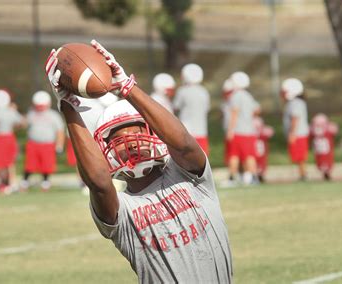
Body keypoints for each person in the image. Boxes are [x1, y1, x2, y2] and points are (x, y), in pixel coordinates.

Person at [45, 40, 232, 283]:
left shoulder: (192, 179)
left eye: (136, 132)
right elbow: (100, 184)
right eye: (119, 137)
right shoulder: (122, 212)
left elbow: (184, 143)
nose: (131, 142)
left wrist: (126, 86)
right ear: (105, 150)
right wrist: (68, 107)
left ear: (156, 133)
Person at [20, 91, 65, 192]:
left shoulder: (53, 115)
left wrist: (59, 145)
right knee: (30, 165)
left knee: (47, 165)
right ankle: (24, 182)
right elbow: (24, 125)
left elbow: (60, 131)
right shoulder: (31, 114)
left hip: (48, 144)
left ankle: (45, 183)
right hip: (33, 143)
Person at [226, 71, 260, 185]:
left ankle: (232, 178)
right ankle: (254, 177)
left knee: (234, 155)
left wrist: (230, 130)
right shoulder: (248, 95)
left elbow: (234, 113)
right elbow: (257, 109)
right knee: (249, 155)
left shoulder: (235, 96)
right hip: (249, 130)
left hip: (238, 130)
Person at [0, 89, 23, 194]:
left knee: (0, 163)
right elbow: (22, 123)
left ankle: (4, 184)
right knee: (10, 162)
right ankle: (12, 183)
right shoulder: (11, 111)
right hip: (9, 137)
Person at [174, 63, 211, 155]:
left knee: (186, 157)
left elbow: (175, 108)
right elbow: (207, 109)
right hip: (201, 130)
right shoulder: (204, 92)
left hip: (186, 131)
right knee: (203, 156)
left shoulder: (182, 91)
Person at [281, 78, 309, 181]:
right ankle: (302, 174)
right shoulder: (294, 102)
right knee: (297, 156)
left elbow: (295, 118)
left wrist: (292, 133)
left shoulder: (295, 103)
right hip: (298, 134)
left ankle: (303, 175)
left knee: (300, 157)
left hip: (299, 134)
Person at [310, 113, 338, 181]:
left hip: (324, 150)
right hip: (321, 150)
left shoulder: (319, 130)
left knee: (325, 161)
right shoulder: (319, 129)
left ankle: (326, 173)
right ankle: (326, 173)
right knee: (324, 161)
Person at [253, 117, 274, 183]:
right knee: (259, 162)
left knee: (259, 162)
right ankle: (258, 176)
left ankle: (258, 176)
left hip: (260, 150)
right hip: (260, 150)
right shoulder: (262, 133)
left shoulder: (258, 134)